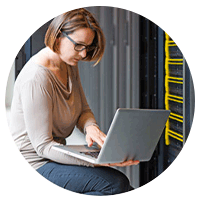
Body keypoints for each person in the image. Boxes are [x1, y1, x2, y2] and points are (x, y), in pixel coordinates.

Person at [10, 8, 139, 195]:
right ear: (58, 37)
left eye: (88, 47)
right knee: (115, 184)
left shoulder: (68, 63)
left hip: (54, 156)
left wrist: (91, 127)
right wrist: (97, 160)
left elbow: (83, 110)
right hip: (35, 163)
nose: (84, 54)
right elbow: (43, 147)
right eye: (79, 45)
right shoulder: (36, 78)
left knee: (126, 188)